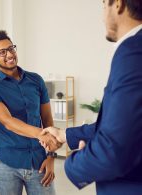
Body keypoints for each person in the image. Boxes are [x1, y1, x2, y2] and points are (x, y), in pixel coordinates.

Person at [42, 0, 142, 194]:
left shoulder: (133, 51)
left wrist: (72, 163)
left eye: (104, 5)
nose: (102, 16)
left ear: (118, 5)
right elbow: (124, 124)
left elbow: (114, 152)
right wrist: (65, 135)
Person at [0, 30, 59, 195]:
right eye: (2, 52)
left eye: (11, 48)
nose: (9, 54)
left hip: (39, 161)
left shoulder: (36, 80)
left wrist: (51, 156)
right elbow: (8, 122)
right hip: (6, 164)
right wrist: (41, 134)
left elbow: (47, 119)